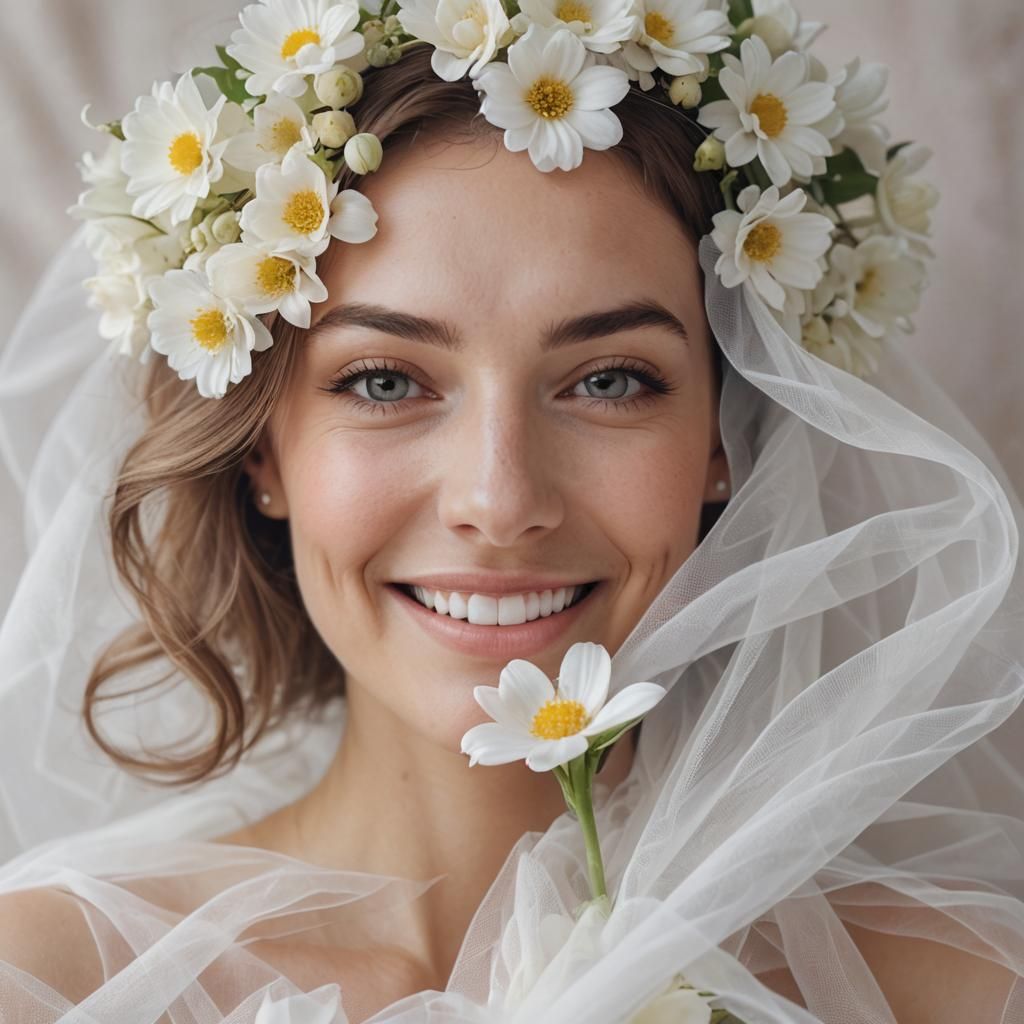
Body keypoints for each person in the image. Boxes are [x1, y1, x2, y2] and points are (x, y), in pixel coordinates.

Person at [0, 2, 1022, 1022]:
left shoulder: (957, 994)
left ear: (727, 434)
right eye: (387, 381)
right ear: (265, 449)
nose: (499, 500)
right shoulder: (46, 982)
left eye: (610, 380)